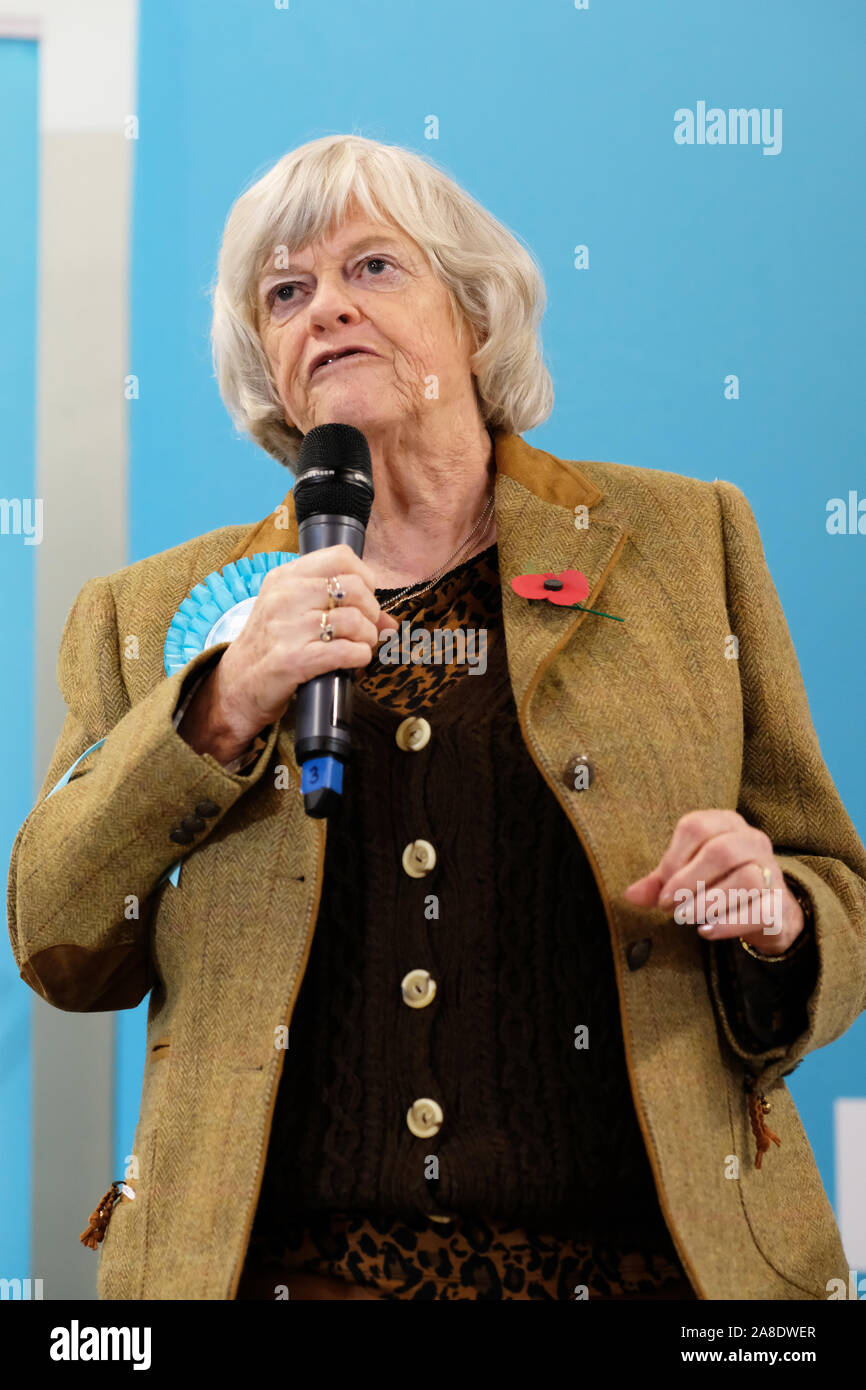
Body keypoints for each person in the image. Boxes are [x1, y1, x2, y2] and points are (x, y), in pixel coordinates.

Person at [8, 134, 866, 1301]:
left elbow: (832, 884)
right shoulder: (147, 611)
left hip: (646, 1272)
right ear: (264, 358)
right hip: (280, 1276)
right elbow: (61, 937)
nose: (326, 310)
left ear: (473, 316)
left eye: (371, 267)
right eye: (285, 291)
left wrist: (776, 915)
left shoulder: (684, 544)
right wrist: (214, 709)